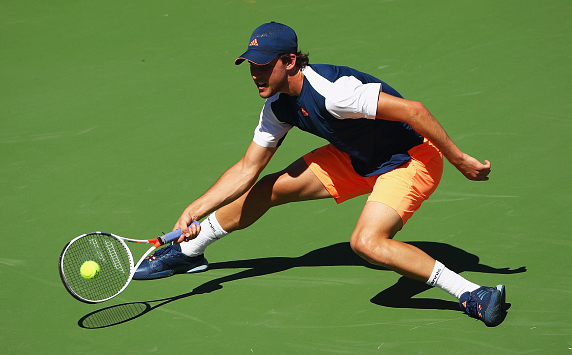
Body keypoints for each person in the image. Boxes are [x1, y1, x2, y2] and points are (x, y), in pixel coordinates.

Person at [134, 22, 506, 326]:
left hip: (409, 158)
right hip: (355, 156)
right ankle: (190, 251)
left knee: (366, 242)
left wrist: (459, 159)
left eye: (263, 65)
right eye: (251, 65)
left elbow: (414, 110)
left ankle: (472, 292)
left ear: (290, 61)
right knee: (268, 188)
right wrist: (195, 208)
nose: (254, 74)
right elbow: (248, 167)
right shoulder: (278, 106)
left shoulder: (334, 93)